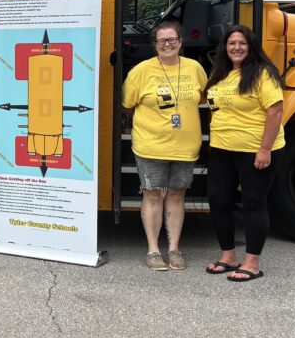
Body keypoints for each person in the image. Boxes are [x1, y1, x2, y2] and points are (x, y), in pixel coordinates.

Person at [122, 19, 207, 271]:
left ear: (180, 42)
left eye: (172, 40)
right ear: (155, 44)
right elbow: (127, 103)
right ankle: (153, 250)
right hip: (150, 145)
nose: (167, 44)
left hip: (185, 145)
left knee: (177, 195)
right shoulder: (141, 71)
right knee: (152, 194)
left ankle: (174, 249)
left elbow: (202, 97)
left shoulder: (195, 68)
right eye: (161, 41)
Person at [204, 25, 285, 282]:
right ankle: (228, 256)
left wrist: (265, 149)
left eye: (242, 43)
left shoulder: (263, 74)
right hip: (221, 148)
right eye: (231, 44)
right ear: (225, 48)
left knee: (253, 203)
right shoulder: (221, 74)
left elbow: (275, 111)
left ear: (250, 47)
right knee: (218, 201)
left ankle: (252, 262)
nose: (236, 48)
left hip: (254, 149)